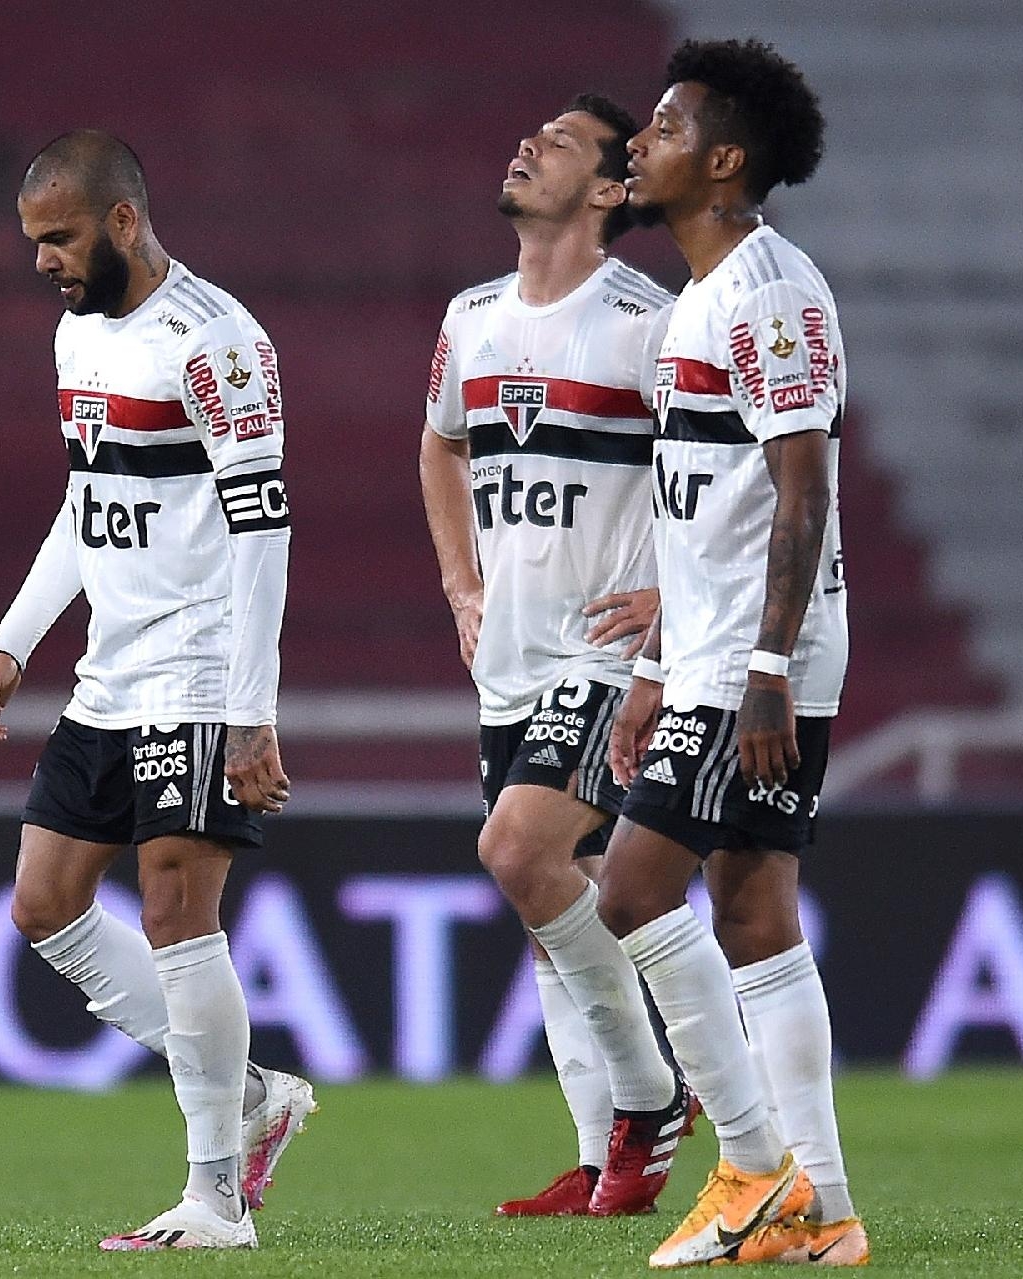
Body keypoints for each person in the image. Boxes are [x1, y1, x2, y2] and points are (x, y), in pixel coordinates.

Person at [0, 129, 313, 1252]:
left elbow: (266, 530)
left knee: (173, 909)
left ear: (121, 220)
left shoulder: (215, 343)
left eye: (57, 237)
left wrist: (251, 706)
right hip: (110, 670)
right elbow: (86, 498)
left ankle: (217, 1194)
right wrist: (15, 642)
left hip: (201, 668)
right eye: (33, 242)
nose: (43, 262)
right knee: (46, 904)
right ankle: (253, 1089)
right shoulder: (78, 336)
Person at [601, 39, 868, 1267]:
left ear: (722, 160)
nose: (635, 143)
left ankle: (754, 1164)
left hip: (758, 661)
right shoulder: (701, 301)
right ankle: (827, 1206)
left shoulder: (766, 290)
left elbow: (802, 491)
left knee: (631, 889)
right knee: (754, 908)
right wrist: (656, 664)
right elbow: (703, 509)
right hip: (712, 654)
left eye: (661, 127)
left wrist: (763, 668)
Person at [420, 94, 698, 1221]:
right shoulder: (470, 315)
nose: (527, 142)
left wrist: (673, 609)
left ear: (610, 188)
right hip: (510, 655)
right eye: (528, 131)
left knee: (517, 852)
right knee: (556, 906)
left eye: (563, 143)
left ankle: (651, 1094)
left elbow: (715, 474)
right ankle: (604, 1161)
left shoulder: (649, 318)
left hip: (599, 656)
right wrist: (459, 582)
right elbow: (439, 445)